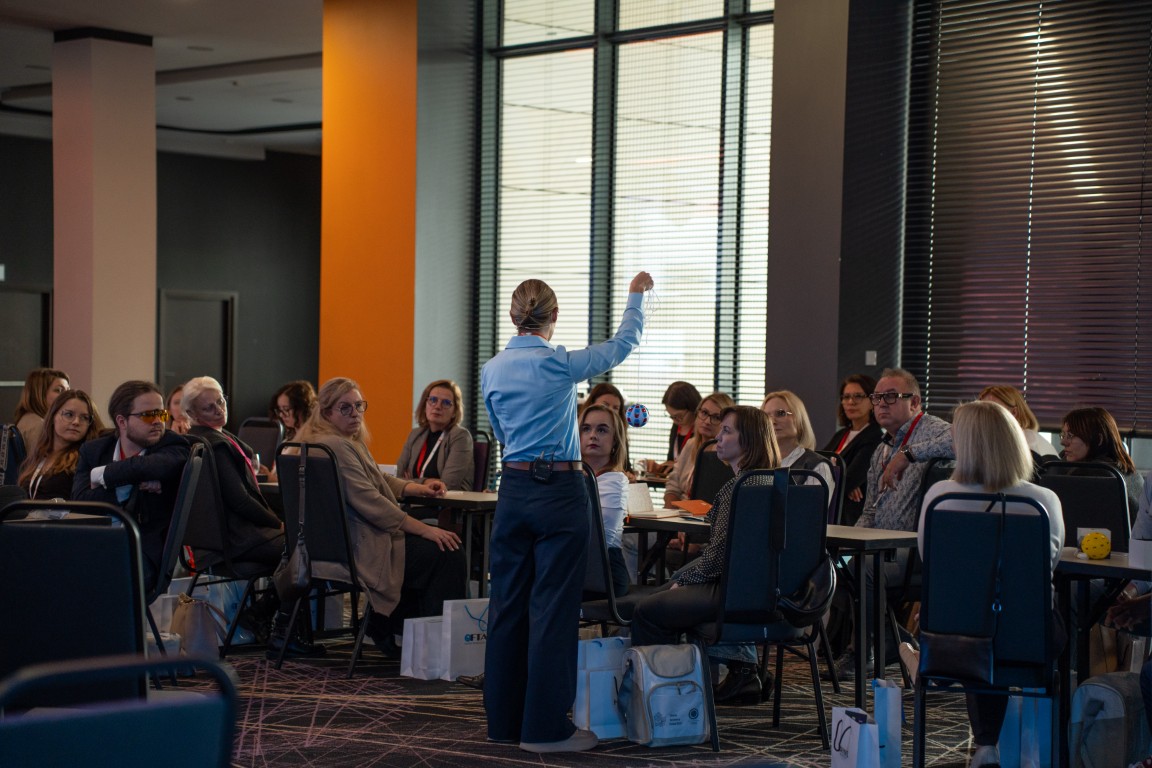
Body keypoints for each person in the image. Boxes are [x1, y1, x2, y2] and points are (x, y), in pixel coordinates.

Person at [481, 270, 653, 753]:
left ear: (512, 316)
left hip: (513, 488)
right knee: (553, 609)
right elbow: (622, 345)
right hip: (559, 491)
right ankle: (544, 729)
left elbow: (500, 433)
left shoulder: (491, 369)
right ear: (554, 315)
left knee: (506, 606)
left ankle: (503, 722)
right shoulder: (559, 364)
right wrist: (636, 297)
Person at [915, 400, 1065, 768]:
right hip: (1030, 640)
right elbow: (1047, 567)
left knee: (978, 613)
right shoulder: (1043, 501)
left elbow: (930, 562)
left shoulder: (941, 497)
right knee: (1025, 615)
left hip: (952, 638)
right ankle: (1052, 743)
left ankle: (986, 745)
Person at [293, 377, 464, 657]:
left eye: (359, 406)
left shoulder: (318, 442)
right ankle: (434, 648)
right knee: (446, 551)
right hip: (360, 548)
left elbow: (377, 478)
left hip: (330, 547)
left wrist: (416, 487)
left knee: (432, 549)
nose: (355, 413)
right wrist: (425, 529)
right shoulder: (338, 446)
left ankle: (386, 622)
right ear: (326, 412)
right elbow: (371, 502)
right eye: (345, 408)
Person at [630, 406, 782, 704]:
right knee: (669, 588)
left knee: (649, 609)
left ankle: (662, 699)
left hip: (733, 591)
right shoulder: (772, 482)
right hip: (764, 591)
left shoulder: (739, 488)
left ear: (749, 440)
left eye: (727, 431)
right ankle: (736, 671)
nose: (718, 438)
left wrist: (685, 580)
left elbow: (718, 558)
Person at [73, 380, 190, 586]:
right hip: (96, 541)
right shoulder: (94, 451)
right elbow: (80, 500)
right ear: (122, 421)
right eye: (148, 415)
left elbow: (153, 466)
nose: (157, 421)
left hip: (143, 550)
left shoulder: (172, 444)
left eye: (161, 414)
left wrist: (104, 475)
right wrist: (128, 487)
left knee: (104, 579)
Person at [183, 376, 284, 568]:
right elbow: (240, 501)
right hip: (236, 542)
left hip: (220, 542)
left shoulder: (200, 438)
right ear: (192, 413)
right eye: (208, 407)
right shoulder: (214, 445)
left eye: (220, 401)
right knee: (309, 545)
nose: (219, 409)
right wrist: (277, 524)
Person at [579, 403, 631, 598]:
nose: (593, 435)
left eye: (602, 430)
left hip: (603, 572)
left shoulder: (615, 480)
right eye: (586, 429)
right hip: (573, 565)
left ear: (615, 440)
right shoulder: (568, 476)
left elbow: (600, 537)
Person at [17, 389, 104, 500]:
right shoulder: (38, 455)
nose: (76, 422)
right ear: (53, 416)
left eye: (84, 417)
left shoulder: (86, 459)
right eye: (69, 414)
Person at [822, 374, 883, 525]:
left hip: (851, 518)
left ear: (873, 401)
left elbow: (849, 480)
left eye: (858, 396)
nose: (851, 402)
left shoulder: (875, 437)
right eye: (846, 397)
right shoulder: (841, 434)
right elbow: (816, 462)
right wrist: (842, 479)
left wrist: (844, 482)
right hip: (830, 510)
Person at [1059, 406, 1145, 514]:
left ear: (1098, 439)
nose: (1063, 442)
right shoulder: (1132, 473)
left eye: (1070, 435)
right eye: (1063, 435)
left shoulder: (1091, 474)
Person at [396, 379, 474, 491]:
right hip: (415, 498)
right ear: (425, 405)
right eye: (433, 400)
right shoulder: (416, 434)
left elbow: (447, 484)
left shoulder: (460, 437)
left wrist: (410, 482)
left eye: (446, 403)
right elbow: (396, 477)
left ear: (454, 412)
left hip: (446, 500)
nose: (437, 406)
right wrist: (425, 482)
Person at [663, 392, 735, 507]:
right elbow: (673, 485)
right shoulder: (691, 444)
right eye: (704, 413)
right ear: (697, 413)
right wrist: (670, 511)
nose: (707, 421)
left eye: (716, 417)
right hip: (681, 511)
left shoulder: (727, 453)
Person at [762, 389, 835, 496]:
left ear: (799, 419)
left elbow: (810, 506)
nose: (772, 421)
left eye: (781, 413)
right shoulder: (756, 463)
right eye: (766, 416)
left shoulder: (817, 467)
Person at [979, 385, 1057, 458]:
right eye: (982, 410)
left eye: (993, 410)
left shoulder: (1028, 441)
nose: (984, 416)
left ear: (1014, 413)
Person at [652, 381, 703, 476]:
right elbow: (672, 460)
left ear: (693, 408)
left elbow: (703, 466)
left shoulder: (704, 430)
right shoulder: (676, 426)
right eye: (671, 416)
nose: (675, 421)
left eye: (679, 416)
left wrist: (678, 466)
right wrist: (661, 467)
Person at [12, 367, 70, 449]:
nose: (67, 395)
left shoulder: (30, 419)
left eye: (68, 391)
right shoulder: (39, 426)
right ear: (39, 394)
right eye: (59, 390)